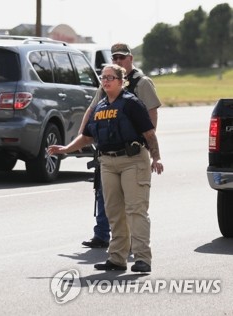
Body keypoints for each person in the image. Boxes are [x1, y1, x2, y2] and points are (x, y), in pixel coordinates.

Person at [48, 64, 163, 272]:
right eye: (103, 77)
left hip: (133, 161)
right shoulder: (100, 106)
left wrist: (156, 158)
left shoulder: (131, 104)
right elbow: (87, 135)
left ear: (121, 81)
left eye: (110, 77)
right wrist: (66, 148)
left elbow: (149, 133)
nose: (106, 81)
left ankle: (142, 259)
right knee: (114, 212)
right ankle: (117, 258)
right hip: (107, 163)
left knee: (135, 210)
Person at [80, 43, 162, 249]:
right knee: (104, 193)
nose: (118, 61)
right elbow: (91, 111)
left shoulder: (142, 83)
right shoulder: (107, 83)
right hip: (107, 147)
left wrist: (148, 145)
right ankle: (101, 235)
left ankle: (136, 244)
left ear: (130, 59)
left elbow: (151, 114)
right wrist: (83, 136)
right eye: (114, 58)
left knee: (133, 202)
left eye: (121, 58)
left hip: (132, 150)